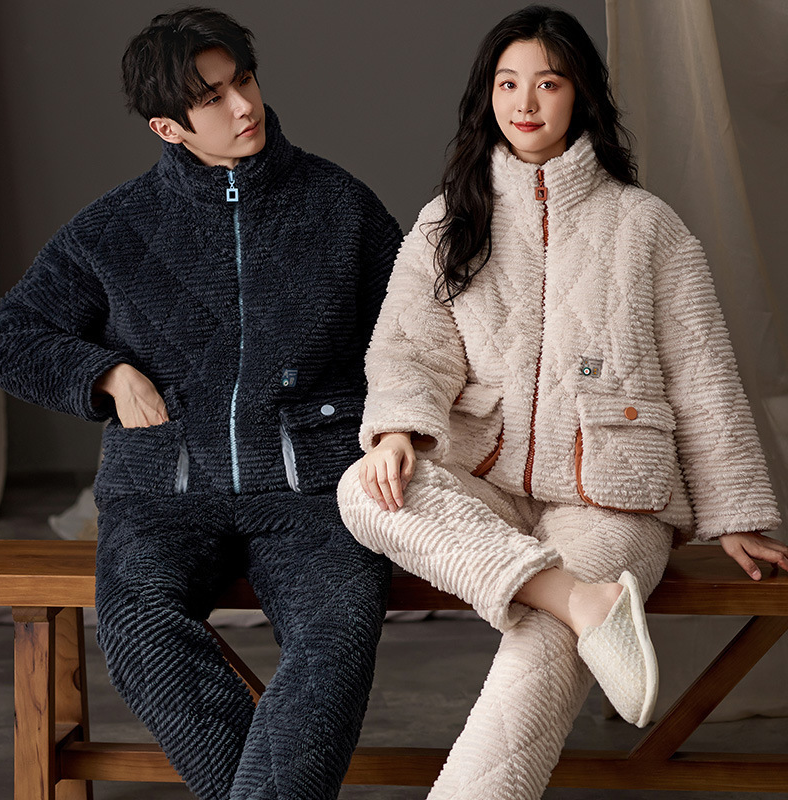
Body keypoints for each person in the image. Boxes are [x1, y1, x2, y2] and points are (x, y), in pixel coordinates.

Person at [336, 5, 788, 799]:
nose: (525, 102)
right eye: (508, 83)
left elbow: (702, 371)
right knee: (365, 488)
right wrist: (399, 431)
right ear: (487, 95)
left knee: (542, 645)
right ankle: (583, 601)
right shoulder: (449, 220)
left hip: (612, 496)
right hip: (486, 475)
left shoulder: (647, 225)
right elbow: (409, 345)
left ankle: (562, 615)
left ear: (580, 94)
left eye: (548, 84)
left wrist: (735, 512)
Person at [0, 7, 402, 799]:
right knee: (139, 630)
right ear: (167, 128)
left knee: (335, 636)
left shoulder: (340, 207)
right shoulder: (113, 229)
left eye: (243, 80)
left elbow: (415, 337)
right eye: (211, 98)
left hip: (312, 489)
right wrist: (106, 374)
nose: (243, 106)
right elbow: (9, 337)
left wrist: (394, 429)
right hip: (162, 494)